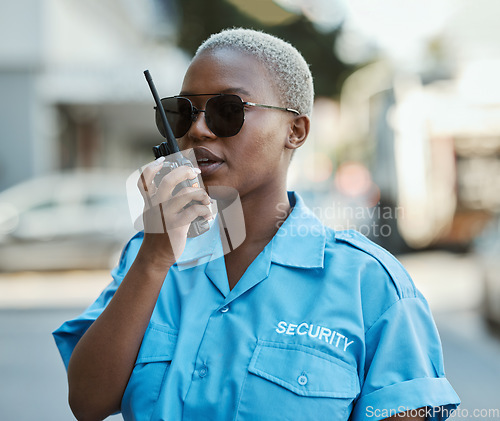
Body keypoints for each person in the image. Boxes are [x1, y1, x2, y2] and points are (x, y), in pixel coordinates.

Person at [53, 28, 460, 421]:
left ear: (295, 131)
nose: (197, 129)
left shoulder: (370, 285)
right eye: (184, 112)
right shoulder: (149, 255)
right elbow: (87, 403)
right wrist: (154, 259)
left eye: (228, 111)